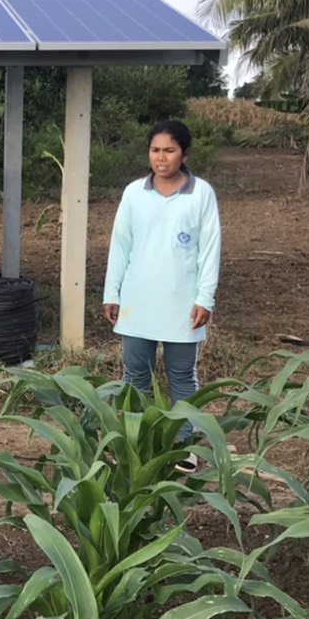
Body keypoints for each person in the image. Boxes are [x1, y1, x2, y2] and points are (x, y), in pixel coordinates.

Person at [102, 119, 222, 473]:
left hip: (182, 304)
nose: (161, 158)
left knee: (182, 376)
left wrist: (206, 298)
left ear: (184, 154)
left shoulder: (201, 194)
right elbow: (120, 245)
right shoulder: (133, 194)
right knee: (135, 375)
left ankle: (184, 445)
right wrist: (113, 292)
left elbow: (209, 250)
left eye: (169, 150)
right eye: (155, 150)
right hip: (137, 301)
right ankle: (134, 441)